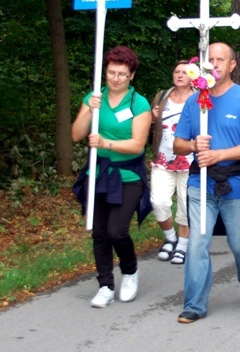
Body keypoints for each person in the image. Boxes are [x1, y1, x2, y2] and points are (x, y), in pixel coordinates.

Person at [173, 43, 240, 324]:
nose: (214, 64)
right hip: (201, 184)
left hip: (237, 185)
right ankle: (195, 304)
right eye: (209, 59)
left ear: (232, 65)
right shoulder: (194, 100)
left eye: (220, 59)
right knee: (197, 244)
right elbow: (177, 145)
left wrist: (219, 154)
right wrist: (192, 144)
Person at [71, 45, 152, 308]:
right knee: (99, 233)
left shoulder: (138, 103)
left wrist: (106, 143)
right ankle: (105, 284)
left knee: (116, 231)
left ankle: (130, 271)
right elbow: (76, 134)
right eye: (111, 72)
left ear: (132, 76)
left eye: (122, 74)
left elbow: (138, 145)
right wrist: (88, 110)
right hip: (98, 174)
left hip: (128, 175)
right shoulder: (94, 97)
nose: (115, 78)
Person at [149, 61, 195, 264]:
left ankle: (183, 245)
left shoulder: (200, 98)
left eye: (185, 72)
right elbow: (151, 125)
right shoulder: (162, 96)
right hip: (163, 159)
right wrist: (152, 118)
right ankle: (170, 238)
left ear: (193, 76)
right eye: (176, 71)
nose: (179, 75)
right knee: (158, 201)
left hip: (190, 160)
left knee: (186, 205)